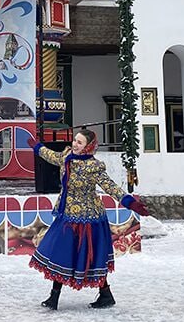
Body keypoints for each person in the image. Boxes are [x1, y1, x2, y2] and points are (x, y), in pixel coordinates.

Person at [29, 129, 148, 310]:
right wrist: (37, 147)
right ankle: (54, 297)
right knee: (61, 253)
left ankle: (105, 294)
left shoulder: (94, 167)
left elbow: (110, 187)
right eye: (75, 140)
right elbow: (52, 156)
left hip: (88, 219)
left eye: (80, 142)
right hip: (67, 215)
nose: (75, 145)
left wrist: (130, 202)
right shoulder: (67, 156)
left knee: (90, 258)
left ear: (88, 146)